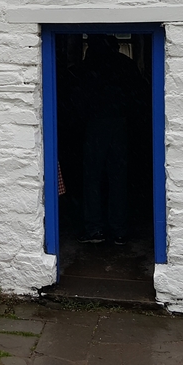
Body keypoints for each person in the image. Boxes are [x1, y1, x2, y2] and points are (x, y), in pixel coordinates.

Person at [73, 35, 148, 245]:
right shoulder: (126, 65)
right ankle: (119, 230)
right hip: (121, 123)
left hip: (95, 123)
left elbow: (77, 97)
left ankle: (94, 228)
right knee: (118, 178)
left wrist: (80, 122)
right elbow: (140, 94)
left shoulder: (88, 66)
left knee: (92, 178)